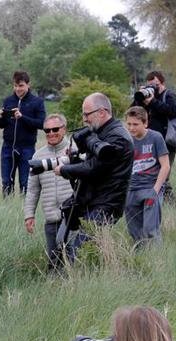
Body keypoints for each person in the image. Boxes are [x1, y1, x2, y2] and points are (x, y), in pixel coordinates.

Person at [54, 93, 134, 261]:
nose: (84, 119)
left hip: (106, 204)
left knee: (81, 252)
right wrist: (75, 156)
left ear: (102, 112)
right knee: (69, 246)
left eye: (87, 114)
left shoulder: (118, 137)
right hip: (93, 200)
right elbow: (91, 163)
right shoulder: (102, 132)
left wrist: (65, 170)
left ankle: (85, 281)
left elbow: (94, 168)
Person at [24, 114, 74, 270]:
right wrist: (29, 215)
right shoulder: (38, 156)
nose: (51, 133)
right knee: (54, 261)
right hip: (51, 218)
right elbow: (32, 189)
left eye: (55, 129)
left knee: (73, 259)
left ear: (64, 129)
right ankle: (53, 289)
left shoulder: (76, 150)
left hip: (73, 217)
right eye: (47, 130)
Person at [131, 71, 176, 200]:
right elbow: (132, 112)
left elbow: (173, 111)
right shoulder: (146, 97)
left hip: (167, 142)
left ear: (162, 83)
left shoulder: (169, 95)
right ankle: (158, 201)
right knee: (153, 176)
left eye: (156, 84)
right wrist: (139, 98)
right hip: (149, 142)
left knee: (164, 176)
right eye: (150, 85)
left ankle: (170, 204)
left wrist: (153, 101)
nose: (153, 87)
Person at [124, 106, 170, 246]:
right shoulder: (126, 140)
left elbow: (165, 166)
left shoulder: (155, 137)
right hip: (131, 190)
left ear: (145, 123)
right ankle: (143, 260)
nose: (131, 128)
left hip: (150, 187)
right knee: (135, 232)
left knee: (150, 230)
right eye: (129, 124)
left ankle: (158, 260)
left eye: (135, 124)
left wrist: (155, 190)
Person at [0, 70, 46, 196]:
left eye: (21, 85)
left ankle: (24, 211)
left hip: (27, 148)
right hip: (8, 147)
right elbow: (1, 125)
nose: (18, 89)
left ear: (28, 85)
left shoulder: (37, 102)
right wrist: (0, 117)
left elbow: (41, 124)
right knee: (7, 182)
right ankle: (7, 209)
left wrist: (22, 117)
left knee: (25, 182)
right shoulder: (8, 101)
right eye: (15, 85)